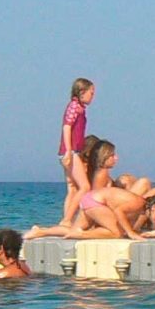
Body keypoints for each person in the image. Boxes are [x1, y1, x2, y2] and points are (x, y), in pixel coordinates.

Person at [25, 187, 154, 241]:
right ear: (154, 208)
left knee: (72, 230)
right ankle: (82, 234)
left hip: (89, 199)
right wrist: (130, 233)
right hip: (95, 202)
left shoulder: (140, 205)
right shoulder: (139, 202)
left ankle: (41, 231)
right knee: (117, 233)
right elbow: (118, 212)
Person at [58, 78, 95, 226]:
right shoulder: (74, 107)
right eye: (91, 93)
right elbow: (67, 127)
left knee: (72, 187)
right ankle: (67, 219)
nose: (92, 96)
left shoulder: (79, 108)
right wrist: (68, 151)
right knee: (84, 186)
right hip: (70, 151)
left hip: (71, 151)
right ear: (81, 92)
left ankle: (67, 220)